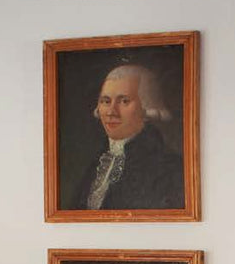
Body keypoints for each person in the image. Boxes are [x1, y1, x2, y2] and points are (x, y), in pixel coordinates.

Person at [70, 64, 184, 212]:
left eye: (124, 101)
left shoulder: (169, 168)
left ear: (146, 107)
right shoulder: (98, 162)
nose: (111, 112)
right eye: (105, 101)